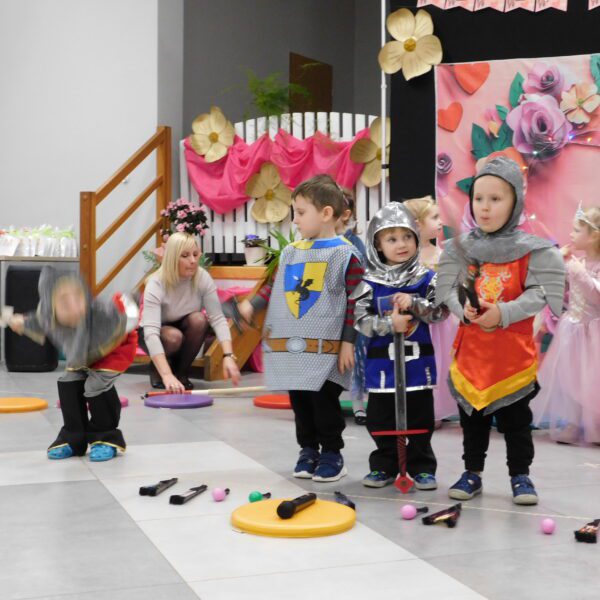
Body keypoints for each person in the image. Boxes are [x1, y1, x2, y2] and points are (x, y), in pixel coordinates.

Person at [435, 156, 565, 505]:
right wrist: (461, 309)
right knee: (472, 422)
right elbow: (448, 290)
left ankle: (520, 475)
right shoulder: (461, 248)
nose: (485, 207)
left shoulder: (531, 250)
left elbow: (538, 294)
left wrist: (503, 313)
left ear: (515, 202)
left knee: (516, 424)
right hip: (472, 357)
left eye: (496, 199)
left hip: (511, 359)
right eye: (479, 198)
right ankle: (472, 472)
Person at [238, 174, 364, 482]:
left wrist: (349, 342)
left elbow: (357, 301)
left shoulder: (346, 254)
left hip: (328, 349)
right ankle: (308, 450)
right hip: (295, 348)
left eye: (301, 212)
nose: (295, 220)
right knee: (301, 403)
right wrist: (251, 305)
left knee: (324, 402)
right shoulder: (291, 252)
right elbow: (276, 287)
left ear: (326, 213)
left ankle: (332, 453)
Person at [353, 202, 447, 489]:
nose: (401, 244)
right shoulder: (368, 283)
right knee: (379, 418)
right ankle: (384, 464)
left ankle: (422, 466)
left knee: (421, 417)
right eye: (392, 239)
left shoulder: (426, 278)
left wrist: (416, 303)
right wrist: (388, 324)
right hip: (382, 365)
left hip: (417, 364)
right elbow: (360, 320)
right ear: (378, 245)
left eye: (407, 236)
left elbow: (440, 312)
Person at [6, 267, 138, 461]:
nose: (75, 307)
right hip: (82, 352)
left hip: (113, 347)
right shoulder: (48, 316)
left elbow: (127, 311)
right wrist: (20, 322)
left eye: (78, 297)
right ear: (50, 305)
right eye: (64, 301)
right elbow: (38, 321)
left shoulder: (100, 312)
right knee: (68, 381)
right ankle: (72, 437)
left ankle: (105, 438)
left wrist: (130, 301)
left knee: (95, 385)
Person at [533, 205, 600, 444]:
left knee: (593, 381)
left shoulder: (592, 265)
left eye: (576, 230)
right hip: (573, 330)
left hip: (594, 334)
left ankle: (595, 425)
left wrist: (576, 270)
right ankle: (573, 423)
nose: (571, 234)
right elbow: (563, 291)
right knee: (571, 379)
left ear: (593, 236)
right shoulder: (576, 261)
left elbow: (596, 295)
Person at [140, 232, 240, 392]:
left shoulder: (202, 277)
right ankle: (160, 368)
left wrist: (228, 356)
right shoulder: (156, 283)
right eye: (185, 256)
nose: (193, 261)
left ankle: (182, 373)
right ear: (172, 258)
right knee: (173, 337)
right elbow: (150, 333)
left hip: (184, 325)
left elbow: (217, 318)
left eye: (195, 254)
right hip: (155, 332)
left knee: (199, 319)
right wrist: (166, 375)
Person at [404, 196, 459, 424]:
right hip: (414, 322)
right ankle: (413, 409)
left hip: (439, 323)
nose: (440, 222)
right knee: (414, 363)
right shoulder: (406, 257)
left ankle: (434, 410)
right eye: (434, 217)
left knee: (437, 363)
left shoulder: (442, 255)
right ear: (417, 224)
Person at [335, 189, 368, 425]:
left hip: (351, 312)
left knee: (355, 360)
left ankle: (358, 405)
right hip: (332, 313)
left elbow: (360, 283)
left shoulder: (354, 244)